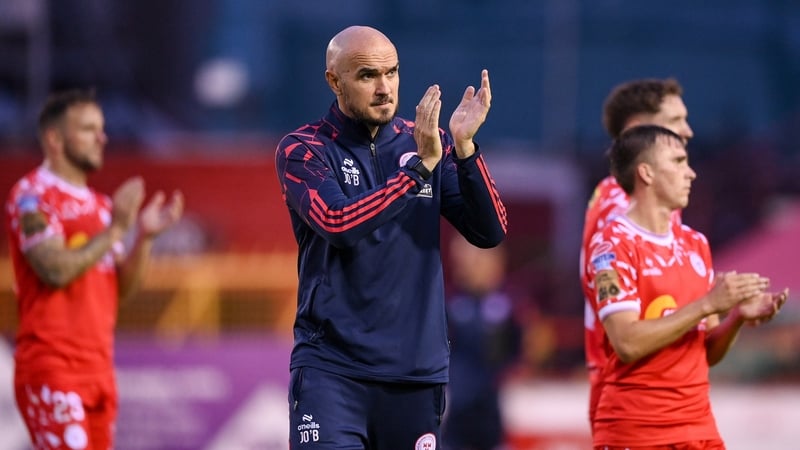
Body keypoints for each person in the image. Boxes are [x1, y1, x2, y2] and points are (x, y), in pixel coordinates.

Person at [274, 25, 507, 449]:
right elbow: (338, 222)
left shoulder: (428, 142)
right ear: (334, 80)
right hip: (332, 372)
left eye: (392, 72)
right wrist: (416, 171)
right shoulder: (304, 149)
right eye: (367, 76)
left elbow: (490, 232)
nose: (385, 88)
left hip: (415, 377)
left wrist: (466, 148)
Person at [586, 125, 788, 448]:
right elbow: (626, 342)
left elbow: (705, 351)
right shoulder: (613, 244)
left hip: (698, 430)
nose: (691, 173)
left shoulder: (695, 244)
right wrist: (707, 304)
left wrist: (736, 317)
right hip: (638, 431)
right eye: (679, 161)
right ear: (646, 173)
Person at [5, 89, 184, 450]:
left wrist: (144, 238)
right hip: (52, 366)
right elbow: (53, 269)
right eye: (88, 129)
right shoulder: (32, 196)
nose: (102, 137)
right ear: (54, 139)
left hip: (99, 369)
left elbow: (120, 291)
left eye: (101, 128)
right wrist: (117, 230)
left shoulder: (102, 207)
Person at [579, 78, 694, 428]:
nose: (687, 131)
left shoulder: (650, 202)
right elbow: (626, 325)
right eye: (675, 121)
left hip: (663, 389)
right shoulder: (624, 207)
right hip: (632, 390)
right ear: (639, 129)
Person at [442, 234, 520, 450]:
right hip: (456, 406)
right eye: (461, 261)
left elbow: (523, 347)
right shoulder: (448, 303)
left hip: (492, 408)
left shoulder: (510, 305)